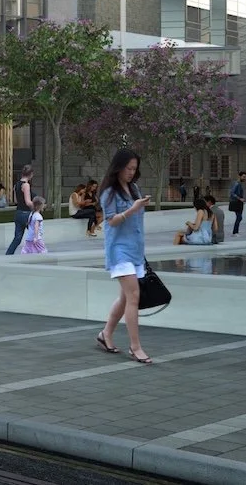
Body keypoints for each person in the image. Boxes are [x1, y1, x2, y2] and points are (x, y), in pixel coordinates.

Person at [96, 148, 153, 364]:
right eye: (128, 168)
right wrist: (132, 209)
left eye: (134, 169)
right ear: (118, 167)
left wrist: (138, 204)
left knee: (125, 297)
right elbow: (111, 221)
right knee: (133, 297)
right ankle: (135, 347)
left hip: (135, 249)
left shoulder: (134, 189)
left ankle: (105, 334)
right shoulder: (109, 193)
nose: (131, 172)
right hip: (119, 249)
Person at [5, 165, 34, 255]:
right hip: (26, 214)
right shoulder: (26, 185)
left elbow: (15, 200)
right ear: (31, 174)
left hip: (18, 213)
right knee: (35, 234)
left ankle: (8, 254)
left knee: (17, 238)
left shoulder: (16, 185)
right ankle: (36, 253)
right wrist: (37, 207)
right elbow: (28, 202)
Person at [229, 170, 246, 236]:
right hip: (236, 202)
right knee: (239, 217)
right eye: (243, 177)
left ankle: (236, 231)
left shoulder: (239, 184)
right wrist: (240, 198)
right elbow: (232, 193)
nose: (245, 178)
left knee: (239, 217)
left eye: (245, 177)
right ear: (240, 176)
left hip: (239, 202)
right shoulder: (237, 184)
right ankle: (235, 232)